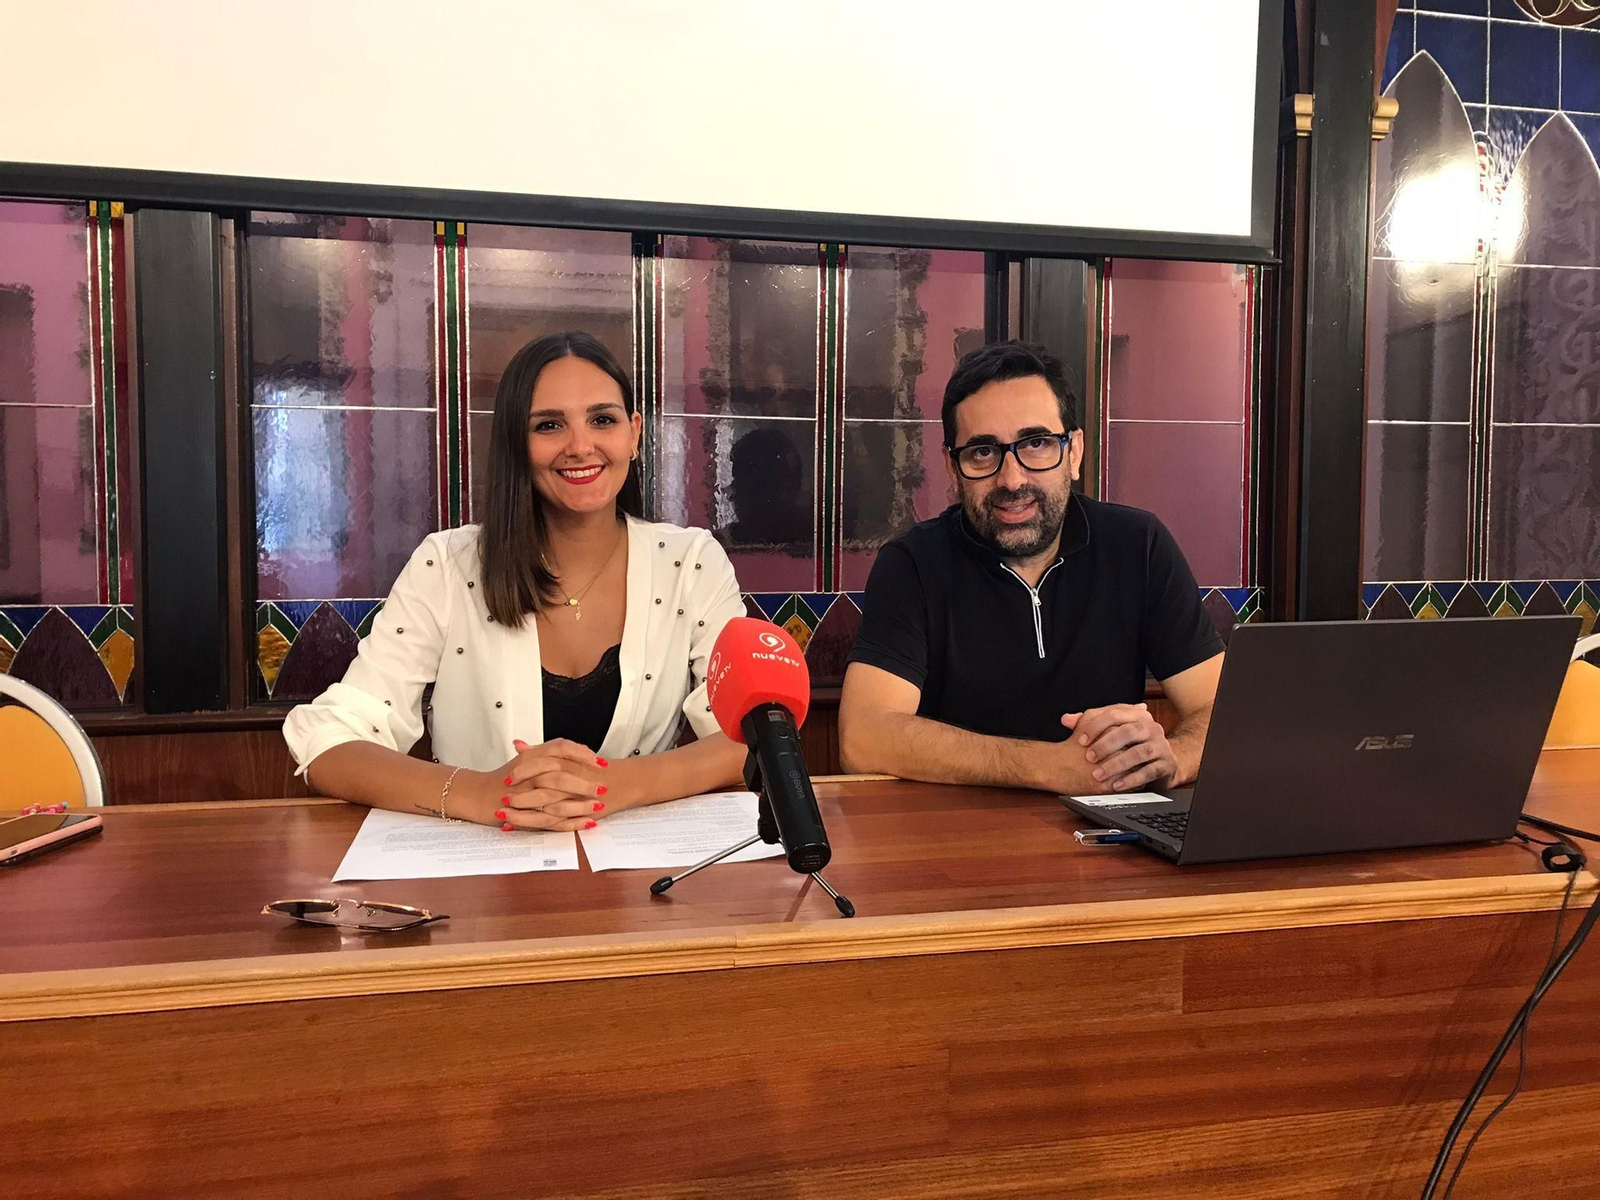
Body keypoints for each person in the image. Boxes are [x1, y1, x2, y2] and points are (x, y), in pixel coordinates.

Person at [284, 332, 748, 831]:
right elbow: (330, 741)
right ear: (515, 443)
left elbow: (751, 736)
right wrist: (481, 794)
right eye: (549, 425)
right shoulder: (448, 564)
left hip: (639, 885)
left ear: (633, 434)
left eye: (603, 420)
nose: (580, 445)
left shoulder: (692, 562)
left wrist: (619, 786)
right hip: (476, 883)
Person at [838, 340, 1224, 795]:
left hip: (1114, 838)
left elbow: (1225, 707)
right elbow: (862, 738)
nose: (1012, 479)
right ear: (951, 465)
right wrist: (1051, 767)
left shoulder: (1138, 545)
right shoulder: (913, 564)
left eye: (1036, 443)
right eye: (983, 452)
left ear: (1074, 452)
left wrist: (1171, 761)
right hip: (957, 841)